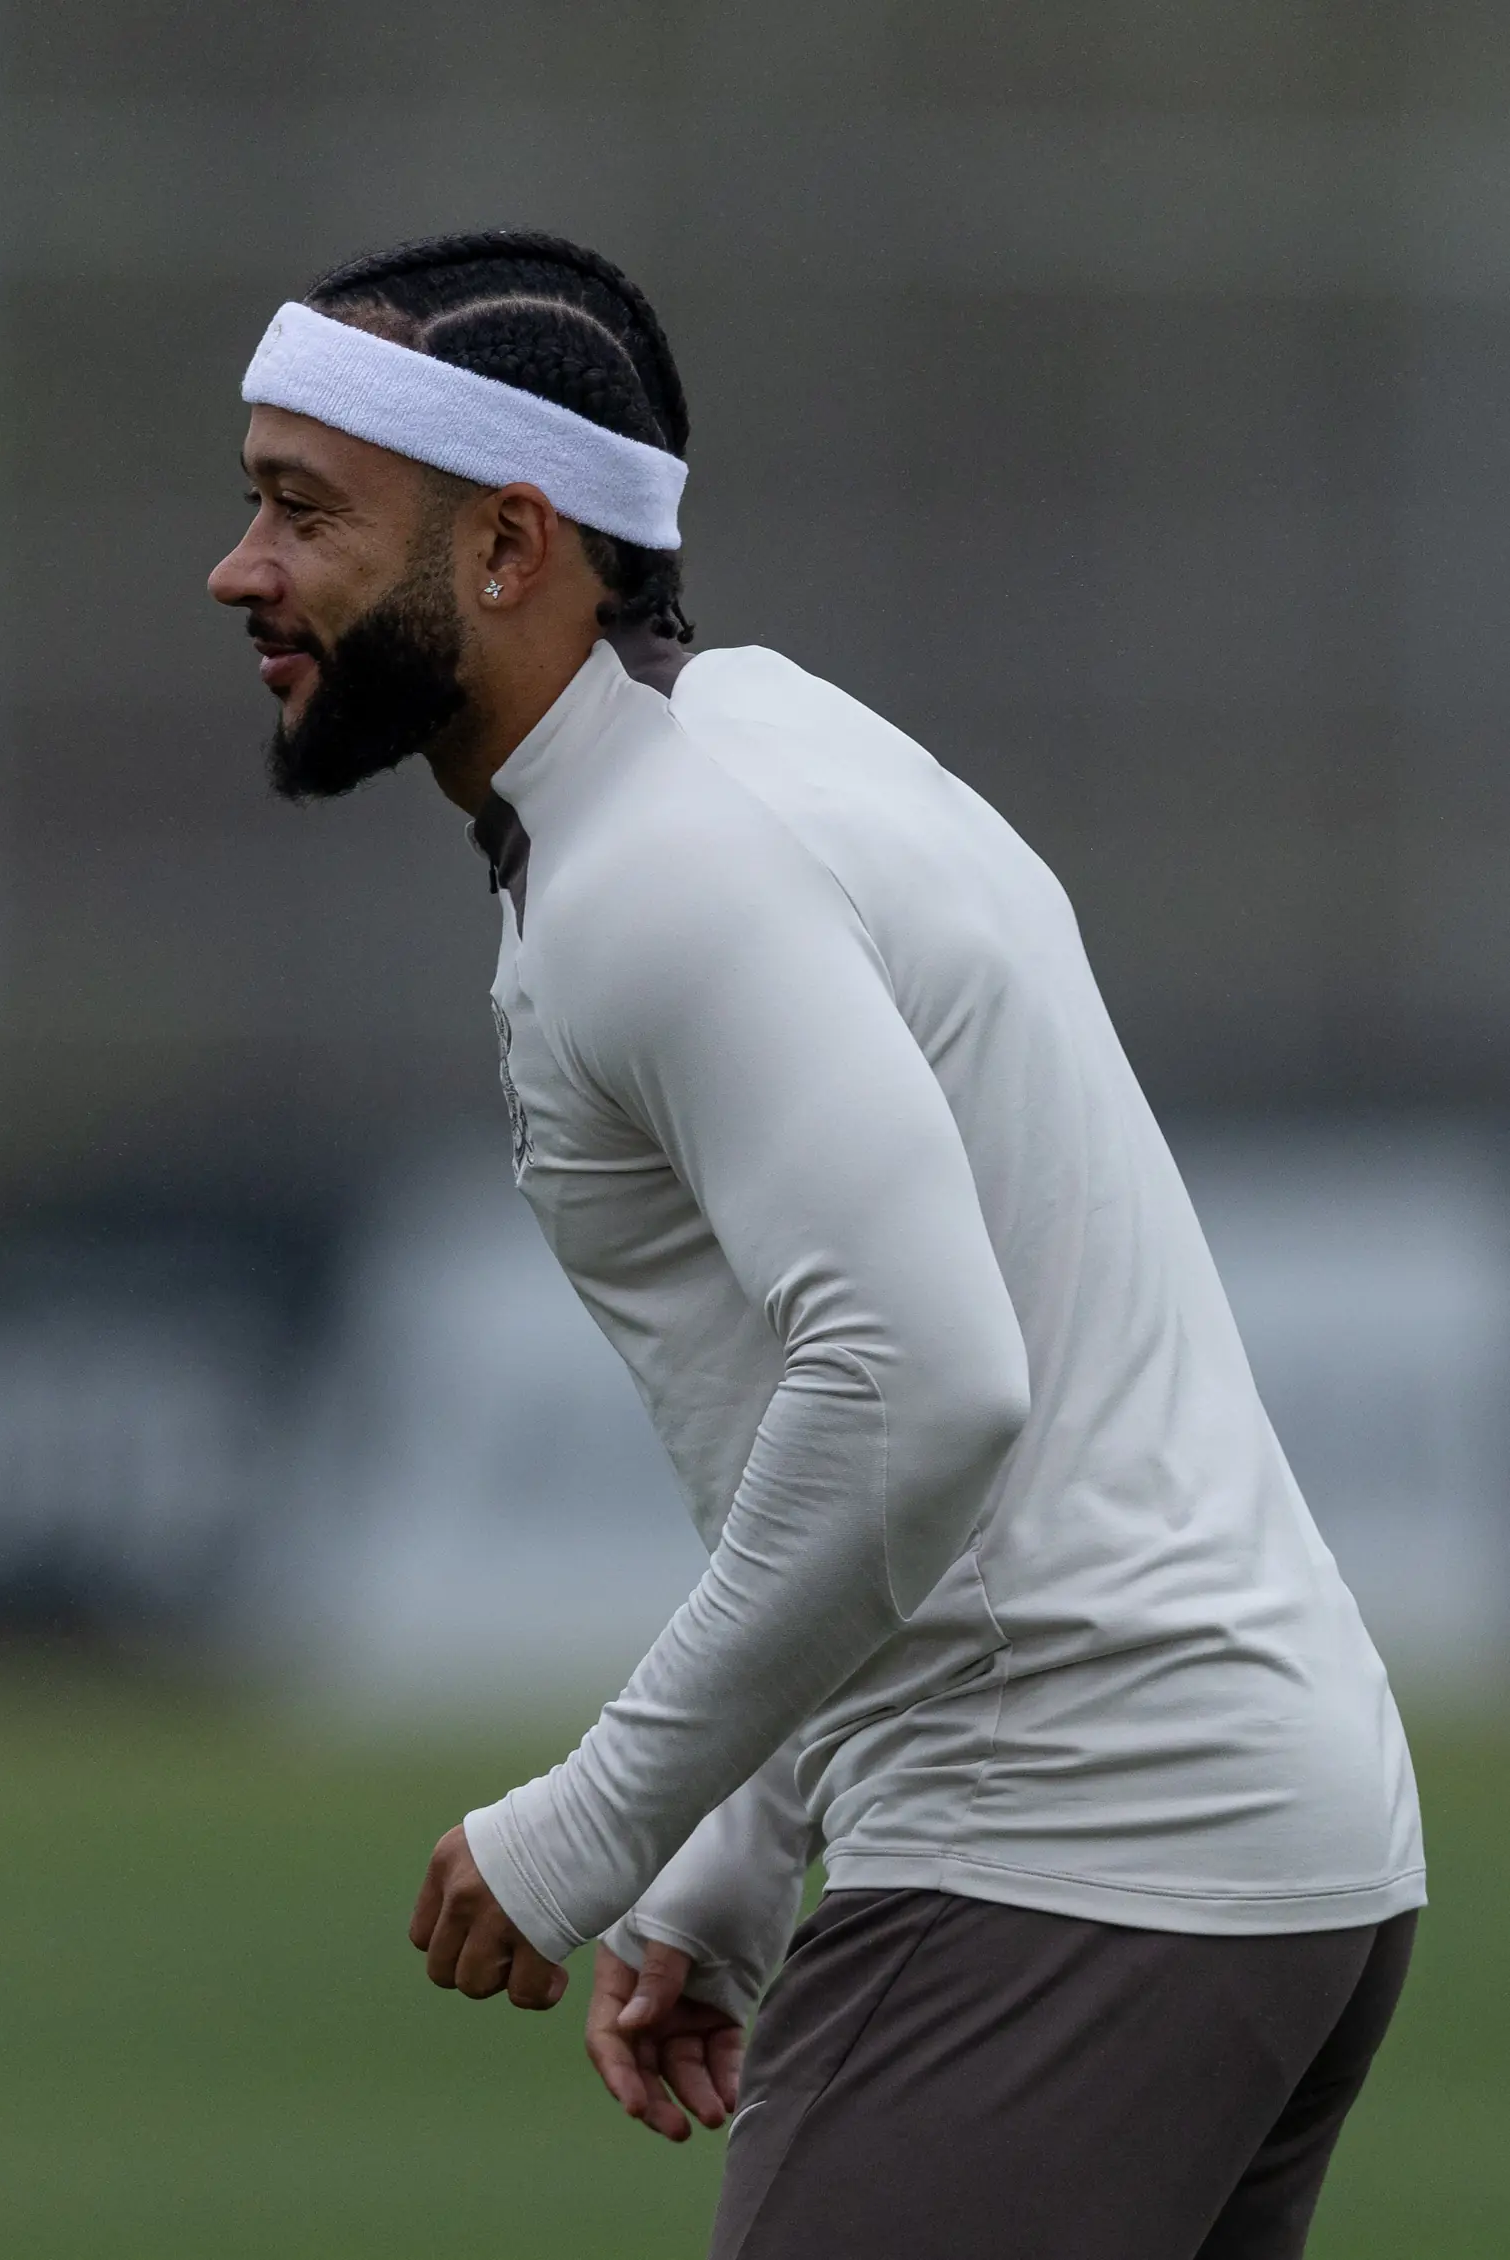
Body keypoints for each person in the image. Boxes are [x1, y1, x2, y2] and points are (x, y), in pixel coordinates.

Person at [207, 230, 1426, 2260]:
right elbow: (905, 1395)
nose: (237, 568)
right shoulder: (774, 754)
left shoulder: (662, 872)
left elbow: (924, 1390)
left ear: (509, 544)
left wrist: (598, 1818)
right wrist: (740, 1843)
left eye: (302, 509)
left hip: (1068, 1853)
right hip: (1267, 1849)